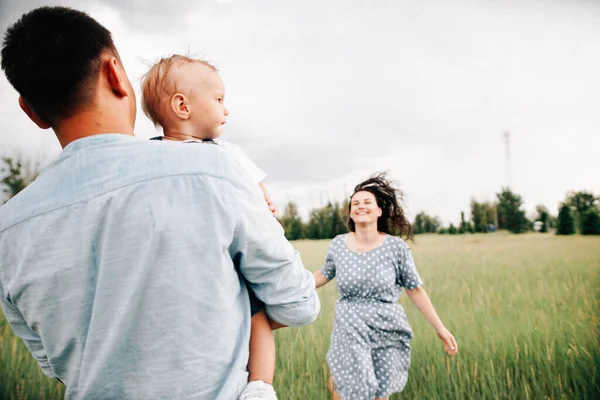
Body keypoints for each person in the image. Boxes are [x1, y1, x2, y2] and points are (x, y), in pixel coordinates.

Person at [0, 6, 320, 400]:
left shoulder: (7, 232)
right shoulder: (214, 170)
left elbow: (53, 364)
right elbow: (298, 304)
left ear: (31, 112)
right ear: (114, 74)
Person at [140, 54, 279, 399]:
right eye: (218, 100)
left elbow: (258, 194)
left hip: (225, 250)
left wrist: (266, 203)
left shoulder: (227, 153)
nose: (225, 109)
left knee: (255, 316)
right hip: (185, 257)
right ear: (182, 106)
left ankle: (259, 386)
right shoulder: (148, 158)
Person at [314, 173, 457, 400]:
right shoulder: (338, 244)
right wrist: (289, 287)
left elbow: (415, 289)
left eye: (367, 202)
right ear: (351, 212)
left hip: (387, 325)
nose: (361, 206)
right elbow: (323, 274)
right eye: (355, 203)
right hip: (349, 323)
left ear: (379, 211)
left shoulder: (395, 248)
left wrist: (440, 328)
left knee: (381, 391)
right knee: (341, 385)